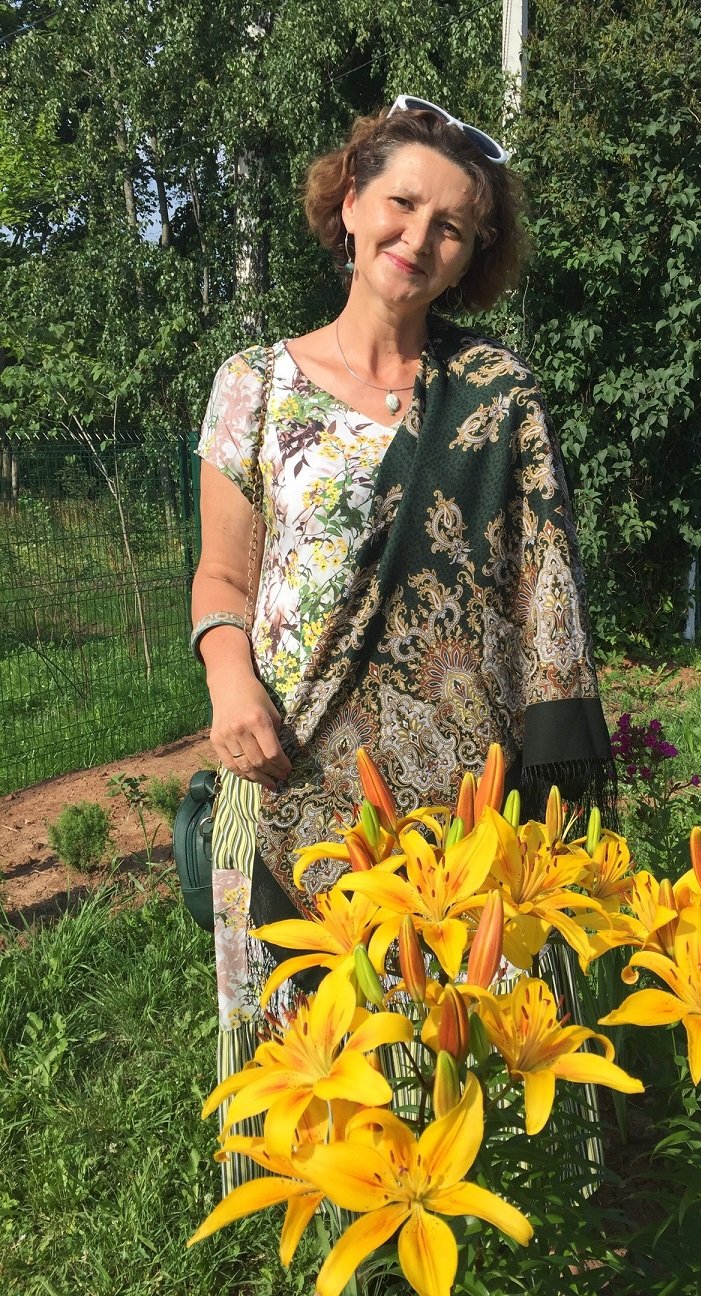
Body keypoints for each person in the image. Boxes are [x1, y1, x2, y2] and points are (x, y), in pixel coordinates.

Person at [190, 96, 612, 1191]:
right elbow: (223, 574)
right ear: (350, 204)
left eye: (452, 226)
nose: (419, 238)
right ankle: (341, 1237)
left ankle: (468, 1229)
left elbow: (545, 589)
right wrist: (230, 679)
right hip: (289, 775)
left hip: (462, 809)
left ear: (474, 254)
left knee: (460, 1064)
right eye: (402, 204)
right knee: (321, 1066)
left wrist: (545, 782)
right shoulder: (254, 385)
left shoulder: (498, 397)